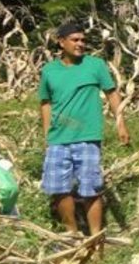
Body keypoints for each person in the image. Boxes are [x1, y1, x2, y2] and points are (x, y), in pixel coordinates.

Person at [38, 20, 130, 236]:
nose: (80, 44)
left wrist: (121, 125)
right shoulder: (49, 71)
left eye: (83, 40)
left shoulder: (95, 65)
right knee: (59, 190)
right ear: (61, 42)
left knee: (91, 189)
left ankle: (96, 237)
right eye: (75, 40)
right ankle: (72, 235)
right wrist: (47, 135)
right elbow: (45, 103)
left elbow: (112, 94)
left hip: (87, 138)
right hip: (58, 139)